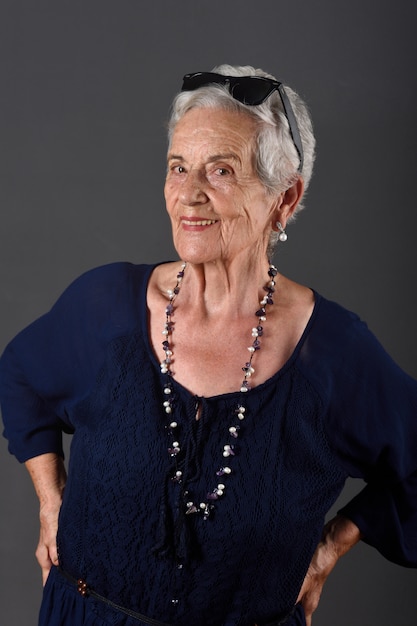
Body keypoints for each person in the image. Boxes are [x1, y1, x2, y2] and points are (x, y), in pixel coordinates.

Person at [1, 64, 416, 626]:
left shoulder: (335, 354)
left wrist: (327, 551)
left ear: (285, 198)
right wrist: (51, 500)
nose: (188, 195)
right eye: (178, 167)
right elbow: (21, 377)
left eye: (220, 170)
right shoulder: (105, 307)